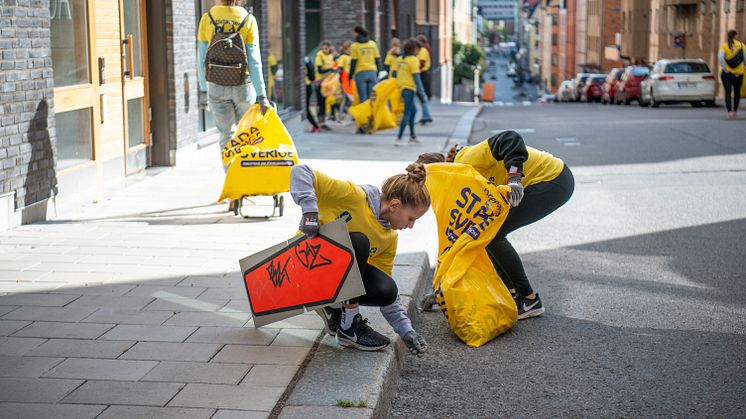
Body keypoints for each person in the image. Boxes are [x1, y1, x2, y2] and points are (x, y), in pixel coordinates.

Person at [416, 131, 575, 319]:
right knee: (486, 233)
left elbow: (510, 138)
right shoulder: (459, 184)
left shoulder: (466, 160)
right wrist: (442, 293)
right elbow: (458, 244)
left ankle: (529, 299)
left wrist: (514, 178)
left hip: (553, 179)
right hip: (547, 181)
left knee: (493, 233)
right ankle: (512, 292)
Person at [289, 163, 430, 354]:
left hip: (328, 277)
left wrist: (407, 331)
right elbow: (301, 171)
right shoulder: (354, 196)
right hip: (302, 264)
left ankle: (333, 308)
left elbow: (386, 294)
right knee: (358, 242)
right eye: (411, 218)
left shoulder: (389, 238)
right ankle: (349, 325)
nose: (411, 226)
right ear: (395, 205)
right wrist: (310, 212)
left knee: (386, 289)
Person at [197, 0, 271, 162]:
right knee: (247, 133)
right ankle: (246, 177)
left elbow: (201, 57)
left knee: (226, 135)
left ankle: (231, 177)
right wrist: (262, 95)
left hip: (216, 84)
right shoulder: (248, 19)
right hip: (243, 84)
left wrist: (203, 88)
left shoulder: (207, 18)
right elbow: (254, 60)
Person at [392, 39, 428, 147]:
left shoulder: (399, 59)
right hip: (410, 88)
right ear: (414, 49)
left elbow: (394, 73)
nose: (419, 52)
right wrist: (422, 93)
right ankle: (399, 138)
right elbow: (417, 78)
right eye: (418, 49)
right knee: (407, 113)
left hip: (402, 88)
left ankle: (412, 136)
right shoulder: (413, 60)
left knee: (413, 111)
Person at [350, 26, 383, 103]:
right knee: (372, 98)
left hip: (360, 73)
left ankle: (365, 114)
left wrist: (350, 74)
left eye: (353, 32)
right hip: (372, 72)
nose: (352, 34)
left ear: (357, 33)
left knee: (363, 98)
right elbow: (378, 59)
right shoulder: (372, 44)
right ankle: (372, 114)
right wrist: (378, 71)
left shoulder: (355, 46)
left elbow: (353, 62)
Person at [718, 30, 744, 119]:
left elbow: (720, 57)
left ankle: (729, 112)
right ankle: (735, 111)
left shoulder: (724, 46)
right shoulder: (741, 45)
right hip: (738, 74)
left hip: (727, 74)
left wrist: (725, 68)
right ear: (735, 36)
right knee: (737, 93)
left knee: (728, 93)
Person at [315, 41, 336, 130]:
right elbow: (320, 70)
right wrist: (331, 69)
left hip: (328, 83)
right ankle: (320, 122)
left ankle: (324, 121)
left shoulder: (331, 56)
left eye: (326, 48)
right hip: (321, 82)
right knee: (321, 103)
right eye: (323, 48)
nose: (325, 50)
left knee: (329, 102)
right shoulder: (320, 55)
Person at [415, 35, 434, 125]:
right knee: (422, 96)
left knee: (422, 96)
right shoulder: (425, 49)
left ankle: (426, 116)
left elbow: (422, 63)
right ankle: (426, 116)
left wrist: (416, 71)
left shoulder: (422, 51)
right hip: (424, 74)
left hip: (422, 74)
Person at [304, 56, 321, 133]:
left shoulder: (302, 60)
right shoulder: (306, 59)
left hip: (305, 86)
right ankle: (315, 126)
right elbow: (312, 76)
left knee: (305, 109)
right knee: (306, 108)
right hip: (308, 85)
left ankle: (316, 126)